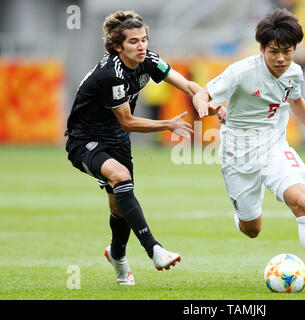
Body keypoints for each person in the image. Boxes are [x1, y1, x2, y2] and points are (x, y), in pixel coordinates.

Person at [65, 10, 221, 285]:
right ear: (117, 46)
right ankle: (154, 249)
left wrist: (206, 99)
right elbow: (127, 121)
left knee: (119, 204)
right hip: (84, 139)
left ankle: (117, 256)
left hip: (116, 139)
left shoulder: (148, 59)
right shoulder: (110, 74)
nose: (142, 46)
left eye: (145, 39)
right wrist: (168, 125)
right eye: (134, 41)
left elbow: (185, 83)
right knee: (121, 177)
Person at [193, 8, 305, 290]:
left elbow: (296, 100)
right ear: (262, 48)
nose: (281, 58)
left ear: (295, 49)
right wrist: (205, 104)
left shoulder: (294, 72)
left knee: (299, 199)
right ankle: (241, 212)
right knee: (252, 230)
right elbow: (203, 92)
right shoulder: (240, 73)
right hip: (239, 153)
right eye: (274, 51)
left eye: (287, 51)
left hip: (275, 146)